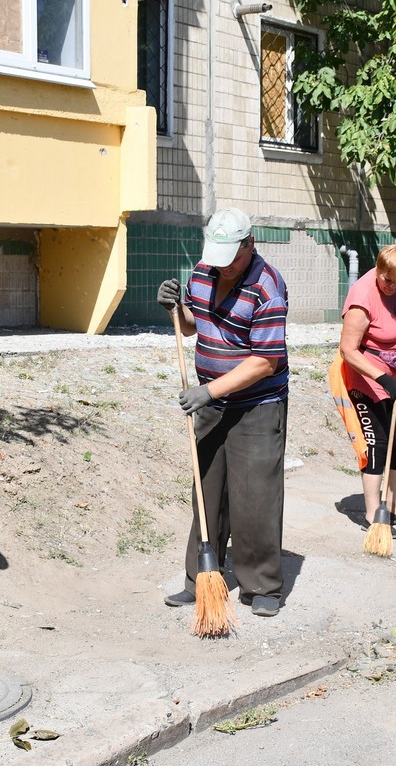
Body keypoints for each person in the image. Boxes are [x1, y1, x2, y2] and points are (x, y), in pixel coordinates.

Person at [155, 207, 289, 617]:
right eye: (218, 257)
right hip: (212, 404)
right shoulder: (205, 270)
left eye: (231, 257)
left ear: (250, 245)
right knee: (206, 493)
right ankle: (201, 580)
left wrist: (208, 391)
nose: (223, 267)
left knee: (254, 498)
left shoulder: (268, 288)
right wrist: (176, 310)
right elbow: (197, 323)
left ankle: (261, 585)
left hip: (257, 406)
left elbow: (265, 361)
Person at [331, 241, 396, 538]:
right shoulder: (362, 295)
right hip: (365, 378)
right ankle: (374, 512)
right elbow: (348, 350)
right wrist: (382, 379)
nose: (393, 285)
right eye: (388, 279)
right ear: (378, 269)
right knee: (378, 444)